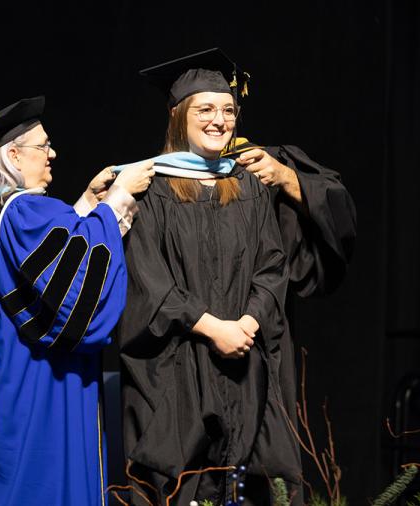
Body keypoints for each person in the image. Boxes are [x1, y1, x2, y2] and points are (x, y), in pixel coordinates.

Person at [0, 96, 154, 506]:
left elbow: (43, 273)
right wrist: (119, 200)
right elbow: (75, 294)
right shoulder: (23, 211)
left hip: (13, 377)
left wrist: (88, 205)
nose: (53, 154)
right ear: (15, 156)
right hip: (38, 385)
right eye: (44, 146)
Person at [117, 49, 292, 505]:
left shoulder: (250, 187)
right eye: (206, 109)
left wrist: (247, 325)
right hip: (177, 368)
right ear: (179, 117)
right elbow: (148, 280)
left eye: (228, 109)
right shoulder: (152, 188)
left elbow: (272, 267)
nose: (219, 120)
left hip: (244, 364)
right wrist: (213, 327)